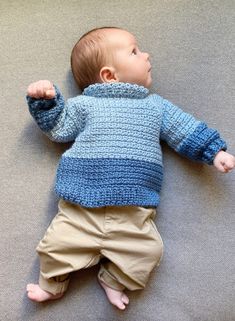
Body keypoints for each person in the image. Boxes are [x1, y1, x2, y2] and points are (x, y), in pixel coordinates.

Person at [26, 27, 235, 310]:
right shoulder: (85, 105)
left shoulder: (155, 106)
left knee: (149, 251)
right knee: (54, 247)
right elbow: (59, 127)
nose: (147, 55)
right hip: (79, 209)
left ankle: (113, 278)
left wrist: (214, 153)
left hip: (133, 215)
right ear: (109, 74)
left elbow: (184, 129)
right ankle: (52, 285)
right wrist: (45, 101)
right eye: (135, 51)